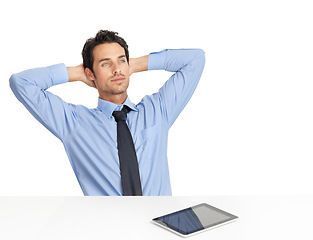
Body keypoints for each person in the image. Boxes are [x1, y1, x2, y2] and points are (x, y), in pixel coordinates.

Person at [10, 30, 205, 196]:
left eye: (121, 61)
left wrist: (133, 64)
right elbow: (21, 83)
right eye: (105, 64)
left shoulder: (158, 110)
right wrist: (76, 73)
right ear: (90, 74)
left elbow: (195, 59)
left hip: (162, 228)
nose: (116, 70)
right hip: (108, 230)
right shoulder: (73, 123)